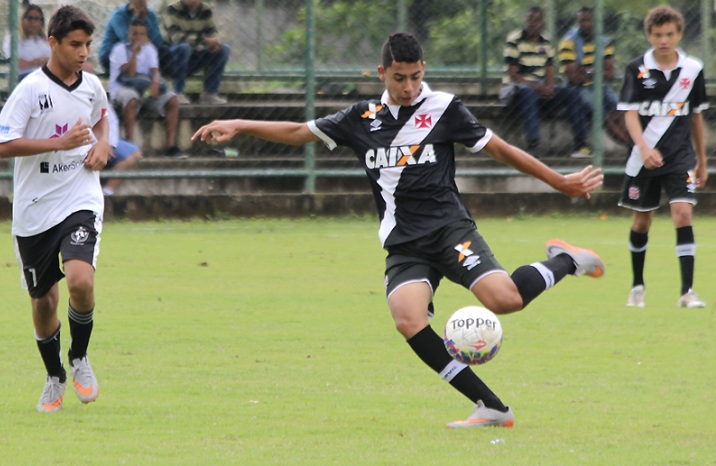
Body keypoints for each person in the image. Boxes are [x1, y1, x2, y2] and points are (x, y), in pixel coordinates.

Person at [192, 32, 606, 428]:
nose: (409, 87)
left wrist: (559, 181)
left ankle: (566, 260)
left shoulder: (443, 108)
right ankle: (492, 407)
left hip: (449, 231)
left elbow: (502, 150)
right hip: (405, 242)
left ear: (424, 70)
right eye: (399, 78)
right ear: (382, 74)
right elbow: (299, 132)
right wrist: (239, 124)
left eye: (416, 76)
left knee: (505, 300)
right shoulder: (361, 118)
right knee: (408, 319)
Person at [0, 5, 111, 412]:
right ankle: (54, 375)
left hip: (79, 197)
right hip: (34, 209)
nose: (83, 52)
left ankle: (79, 357)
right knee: (44, 301)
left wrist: (103, 143)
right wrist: (58, 144)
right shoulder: (29, 90)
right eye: (75, 44)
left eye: (88, 44)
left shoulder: (92, 85)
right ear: (53, 43)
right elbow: (4, 145)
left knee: (80, 280)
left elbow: (101, 117)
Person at [617, 6, 708, 309]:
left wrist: (702, 160)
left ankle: (687, 292)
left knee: (683, 214)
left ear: (679, 34)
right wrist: (644, 148)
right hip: (643, 158)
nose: (664, 40)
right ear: (649, 35)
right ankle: (637, 287)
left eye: (670, 34)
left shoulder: (693, 69)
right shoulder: (637, 69)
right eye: (658, 35)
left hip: (681, 157)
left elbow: (696, 116)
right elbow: (629, 114)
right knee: (642, 221)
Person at [500, 6, 592, 159]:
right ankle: (533, 145)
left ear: (542, 23)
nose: (533, 24)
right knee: (528, 92)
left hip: (540, 88)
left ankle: (581, 144)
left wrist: (549, 87)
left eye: (537, 20)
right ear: (525, 21)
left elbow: (549, 69)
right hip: (517, 89)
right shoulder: (514, 39)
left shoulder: (546, 41)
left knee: (573, 95)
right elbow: (512, 72)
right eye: (530, 20)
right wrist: (536, 87)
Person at [109, 18, 187, 159]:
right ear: (128, 34)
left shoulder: (150, 49)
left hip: (144, 88)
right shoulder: (119, 50)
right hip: (123, 87)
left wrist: (155, 83)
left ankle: (171, 147)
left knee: (172, 100)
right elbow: (130, 74)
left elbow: (155, 71)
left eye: (142, 34)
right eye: (135, 34)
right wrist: (134, 52)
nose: (138, 37)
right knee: (131, 98)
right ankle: (131, 147)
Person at [559, 7, 629, 149]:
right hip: (579, 89)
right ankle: (632, 147)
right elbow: (574, 78)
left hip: (601, 86)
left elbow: (610, 74)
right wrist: (598, 71)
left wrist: (587, 71)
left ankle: (636, 145)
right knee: (603, 114)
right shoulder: (568, 42)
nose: (584, 24)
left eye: (588, 20)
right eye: (581, 21)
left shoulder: (604, 42)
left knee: (620, 111)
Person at [160, 0, 230, 105]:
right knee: (184, 47)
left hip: (192, 56)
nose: (193, 0)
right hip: (171, 58)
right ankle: (178, 92)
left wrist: (214, 42)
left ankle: (210, 93)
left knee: (224, 49)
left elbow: (212, 31)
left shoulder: (205, 10)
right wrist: (204, 41)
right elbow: (177, 38)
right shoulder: (172, 9)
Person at [83, 58, 142, 195]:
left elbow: (111, 120)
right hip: (83, 143)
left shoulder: (98, 93)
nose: (89, 77)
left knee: (134, 153)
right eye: (84, 72)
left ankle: (107, 191)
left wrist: (108, 144)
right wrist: (97, 144)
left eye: (91, 73)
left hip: (104, 141)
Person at [2, 4, 52, 82]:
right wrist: (38, 62)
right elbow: (16, 63)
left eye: (37, 19)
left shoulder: (47, 40)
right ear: (22, 19)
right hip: (23, 77)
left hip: (46, 76)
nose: (33, 22)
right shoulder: (14, 39)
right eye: (29, 18)